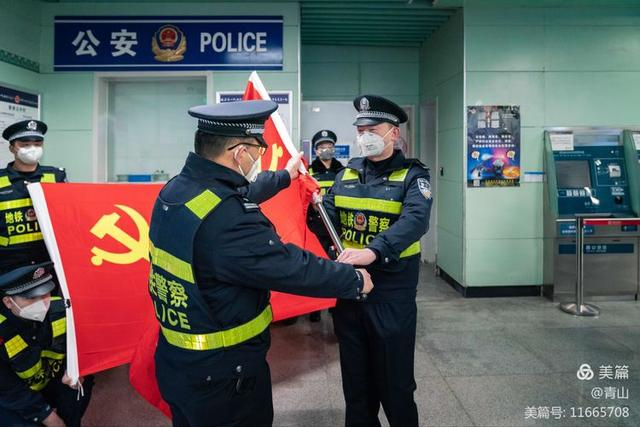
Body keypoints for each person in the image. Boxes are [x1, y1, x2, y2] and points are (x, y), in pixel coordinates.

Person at [148, 99, 374, 427]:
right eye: (258, 150)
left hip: (177, 363)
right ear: (240, 152)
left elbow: (240, 193)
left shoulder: (177, 191)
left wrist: (284, 176)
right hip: (225, 378)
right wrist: (353, 280)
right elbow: (290, 266)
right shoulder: (228, 219)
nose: (259, 157)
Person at [309, 95, 433, 427]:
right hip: (350, 293)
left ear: (393, 133)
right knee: (357, 389)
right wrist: (311, 207)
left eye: (372, 130)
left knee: (396, 387)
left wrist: (374, 251)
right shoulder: (346, 174)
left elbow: (415, 221)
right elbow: (327, 222)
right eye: (360, 130)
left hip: (391, 295)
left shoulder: (413, 176)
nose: (364, 136)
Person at [0, 262, 93, 427]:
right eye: (31, 298)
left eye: (45, 293)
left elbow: (83, 344)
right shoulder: (3, 331)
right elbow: (9, 389)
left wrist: (74, 368)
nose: (42, 303)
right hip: (15, 393)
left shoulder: (63, 309)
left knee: (79, 388)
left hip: (55, 380)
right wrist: (47, 416)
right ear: (8, 302)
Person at [0, 120, 67, 273]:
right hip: (8, 262)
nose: (32, 149)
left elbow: (69, 216)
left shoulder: (56, 177)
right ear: (12, 148)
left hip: (49, 259)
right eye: (25, 144)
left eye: (37, 144)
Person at [307, 129, 345, 322]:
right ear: (316, 150)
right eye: (322, 147)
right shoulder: (309, 172)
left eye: (329, 146)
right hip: (317, 227)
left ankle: (334, 304)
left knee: (336, 266)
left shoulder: (343, 171)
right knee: (316, 267)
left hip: (337, 227)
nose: (326, 149)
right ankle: (315, 308)